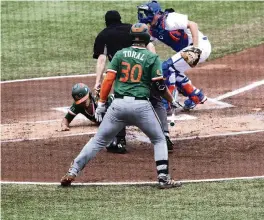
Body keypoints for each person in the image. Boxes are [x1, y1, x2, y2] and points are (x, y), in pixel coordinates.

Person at [61, 23, 182, 189]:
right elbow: (159, 87)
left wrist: (102, 103)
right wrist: (171, 99)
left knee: (98, 140)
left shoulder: (120, 54)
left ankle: (73, 171)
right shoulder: (151, 57)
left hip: (117, 106)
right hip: (141, 107)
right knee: (159, 139)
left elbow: (108, 80)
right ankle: (163, 178)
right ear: (146, 38)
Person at [93, 10, 175, 152]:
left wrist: (97, 82)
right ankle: (165, 136)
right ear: (120, 19)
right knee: (156, 101)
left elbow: (101, 60)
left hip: (123, 79)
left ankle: (119, 141)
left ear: (106, 22)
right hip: (145, 74)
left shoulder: (103, 35)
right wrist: (154, 64)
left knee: (117, 102)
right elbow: (150, 46)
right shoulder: (134, 29)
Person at [137, 1, 212, 110]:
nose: (144, 16)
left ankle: (167, 102)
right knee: (171, 70)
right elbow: (147, 43)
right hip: (189, 50)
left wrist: (195, 48)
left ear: (156, 13)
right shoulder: (154, 29)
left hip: (201, 47)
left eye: (147, 13)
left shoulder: (170, 19)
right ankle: (196, 96)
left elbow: (193, 24)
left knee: (166, 68)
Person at [61, 82, 127, 154]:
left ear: (89, 95)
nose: (82, 104)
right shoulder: (78, 106)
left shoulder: (100, 101)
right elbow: (66, 119)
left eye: (84, 101)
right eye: (80, 102)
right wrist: (64, 125)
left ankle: (120, 140)